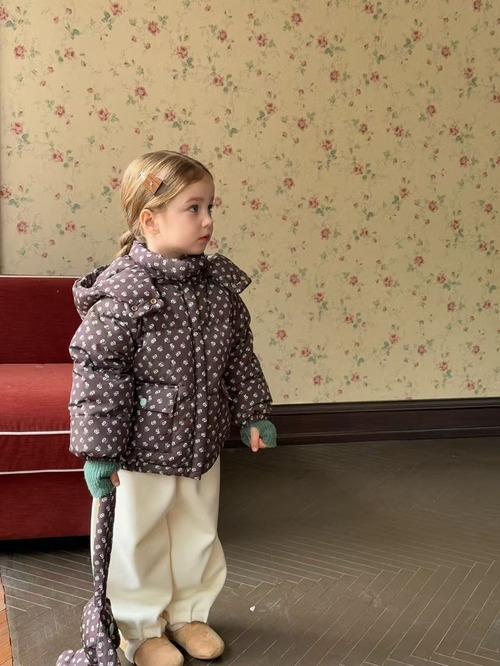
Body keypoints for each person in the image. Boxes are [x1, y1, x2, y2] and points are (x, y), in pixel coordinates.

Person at [68, 150, 276, 666]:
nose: (208, 221)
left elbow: (239, 356)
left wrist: (253, 411)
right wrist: (99, 450)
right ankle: (139, 629)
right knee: (138, 540)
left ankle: (188, 614)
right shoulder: (125, 294)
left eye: (211, 207)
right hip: (141, 452)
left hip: (202, 443)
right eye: (193, 208)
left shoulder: (219, 290)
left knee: (197, 533)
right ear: (150, 219)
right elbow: (98, 373)